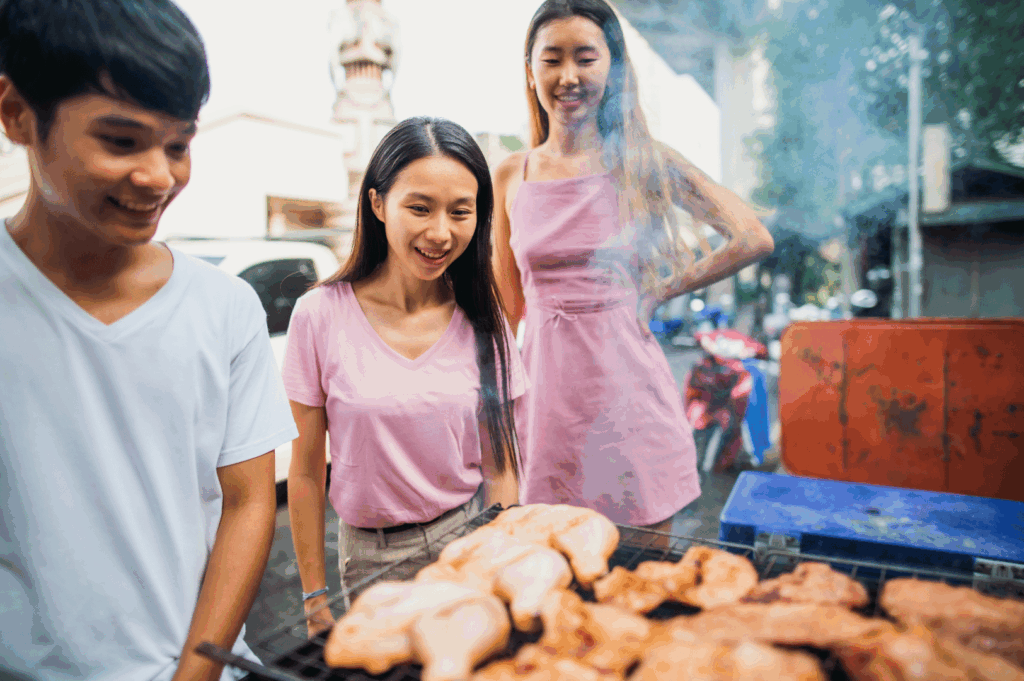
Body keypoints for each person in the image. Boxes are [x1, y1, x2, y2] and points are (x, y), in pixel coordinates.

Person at [0, 1, 298, 679]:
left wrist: (195, 672)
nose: (160, 177)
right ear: (17, 113)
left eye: (178, 144)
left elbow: (250, 502)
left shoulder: (224, 306)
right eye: (121, 140)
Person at [492, 0, 775, 530]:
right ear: (530, 72)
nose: (569, 76)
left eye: (586, 58)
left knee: (644, 583)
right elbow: (507, 312)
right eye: (551, 59)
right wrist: (488, 412)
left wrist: (662, 290)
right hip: (546, 407)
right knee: (552, 582)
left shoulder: (645, 161)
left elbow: (751, 236)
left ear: (613, 68)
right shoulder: (511, 174)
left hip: (629, 405)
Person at [282, 117, 526, 636]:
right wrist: (313, 597)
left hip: (469, 543)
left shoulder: (485, 318)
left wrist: (497, 559)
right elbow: (304, 473)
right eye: (420, 208)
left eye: (460, 212)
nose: (440, 232)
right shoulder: (318, 315)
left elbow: (501, 465)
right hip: (372, 560)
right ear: (377, 204)